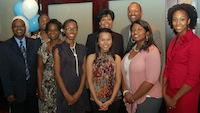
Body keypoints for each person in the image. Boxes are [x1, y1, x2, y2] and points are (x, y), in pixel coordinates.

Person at [163, 3, 200, 113]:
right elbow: (167, 68)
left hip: (186, 94)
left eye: (182, 19)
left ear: (189, 21)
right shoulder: (173, 41)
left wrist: (175, 99)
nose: (178, 23)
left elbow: (192, 77)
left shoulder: (195, 43)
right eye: (175, 20)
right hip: (169, 92)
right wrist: (164, 93)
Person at [0, 16, 41, 113]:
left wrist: (39, 88)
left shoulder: (35, 43)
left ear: (25, 27)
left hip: (33, 90)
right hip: (16, 92)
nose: (19, 28)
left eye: (21, 26)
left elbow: (39, 67)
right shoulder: (4, 47)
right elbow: (4, 72)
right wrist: (9, 93)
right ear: (12, 28)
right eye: (15, 26)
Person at [121, 20, 162, 113]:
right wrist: (125, 92)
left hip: (149, 98)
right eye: (133, 30)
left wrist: (133, 98)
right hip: (131, 96)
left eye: (139, 29)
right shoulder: (132, 49)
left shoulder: (152, 50)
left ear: (147, 33)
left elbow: (151, 80)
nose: (135, 32)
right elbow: (124, 72)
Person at [53, 19, 90, 113]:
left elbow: (84, 71)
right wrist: (66, 95)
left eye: (74, 28)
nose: (72, 31)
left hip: (80, 89)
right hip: (65, 89)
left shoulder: (82, 48)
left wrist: (80, 91)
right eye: (68, 28)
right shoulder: (59, 49)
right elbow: (57, 73)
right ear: (63, 31)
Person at [121, 2, 164, 73]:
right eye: (130, 11)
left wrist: (158, 78)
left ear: (141, 13)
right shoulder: (123, 31)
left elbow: (160, 57)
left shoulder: (153, 31)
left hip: (147, 76)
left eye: (136, 11)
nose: (132, 13)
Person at [86, 28, 122, 113]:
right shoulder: (91, 58)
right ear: (98, 42)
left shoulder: (117, 58)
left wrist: (110, 101)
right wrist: (96, 100)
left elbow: (118, 81)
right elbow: (89, 81)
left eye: (108, 39)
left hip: (114, 99)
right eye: (102, 40)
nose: (105, 43)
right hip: (96, 99)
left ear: (112, 41)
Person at [37, 19, 63, 113]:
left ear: (60, 31)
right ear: (47, 32)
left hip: (62, 86)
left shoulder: (65, 46)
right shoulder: (43, 47)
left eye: (55, 30)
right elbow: (40, 69)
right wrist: (40, 89)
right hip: (46, 87)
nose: (52, 32)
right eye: (50, 30)